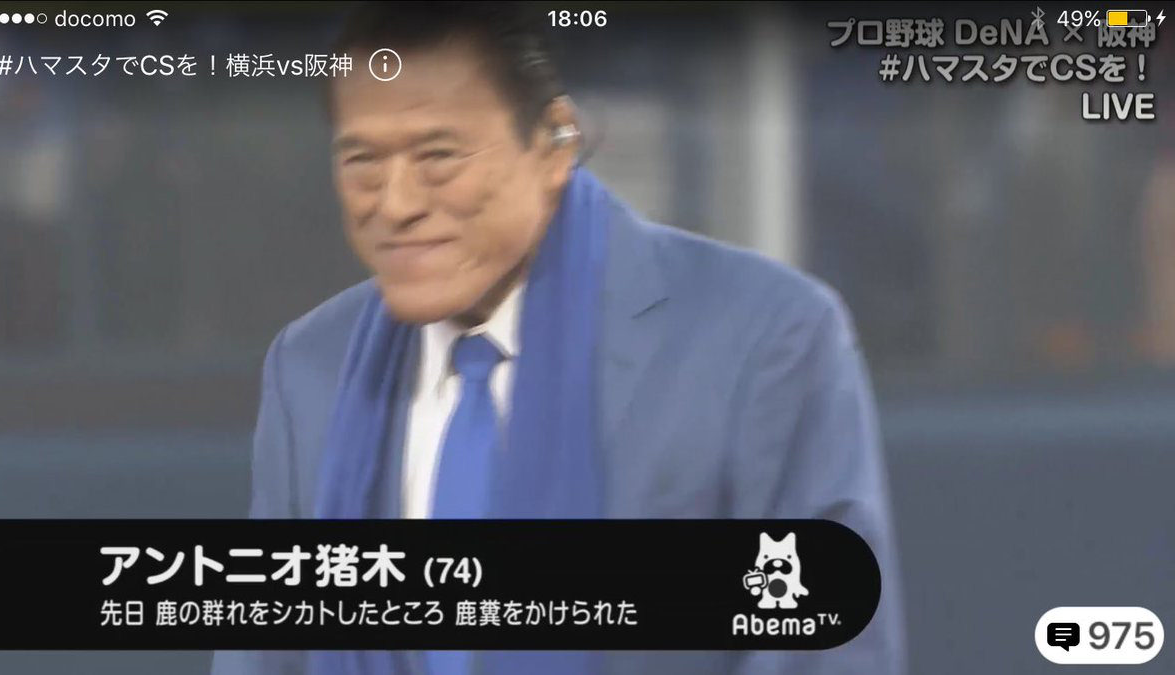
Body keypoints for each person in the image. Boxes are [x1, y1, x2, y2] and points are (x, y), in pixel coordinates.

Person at [213, 2, 905, 674]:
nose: (395, 204)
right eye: (362, 161)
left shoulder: (764, 337)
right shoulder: (310, 368)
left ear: (553, 143)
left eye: (438, 155)